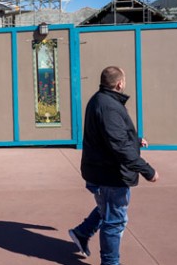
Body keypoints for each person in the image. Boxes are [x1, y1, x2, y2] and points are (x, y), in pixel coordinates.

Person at [68, 66, 159, 265]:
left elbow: (113, 135)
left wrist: (136, 139)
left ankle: (81, 233)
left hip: (100, 171)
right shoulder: (109, 106)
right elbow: (119, 145)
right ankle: (110, 262)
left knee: (105, 208)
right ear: (120, 83)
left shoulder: (100, 100)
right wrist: (147, 170)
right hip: (109, 174)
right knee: (115, 221)